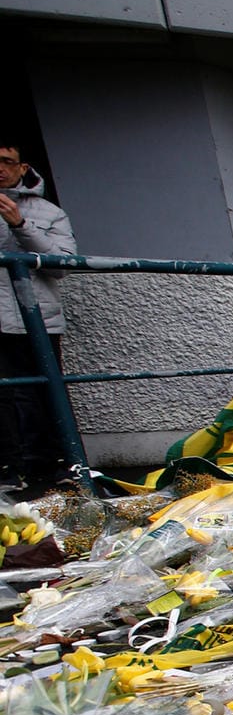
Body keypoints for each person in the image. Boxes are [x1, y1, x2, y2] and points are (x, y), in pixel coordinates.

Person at [0, 139, 77, 486]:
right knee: (7, 398)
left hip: (34, 320)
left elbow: (62, 264)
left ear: (22, 167)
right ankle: (11, 470)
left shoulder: (48, 212)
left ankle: (48, 472)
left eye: (6, 161)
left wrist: (20, 225)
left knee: (40, 396)